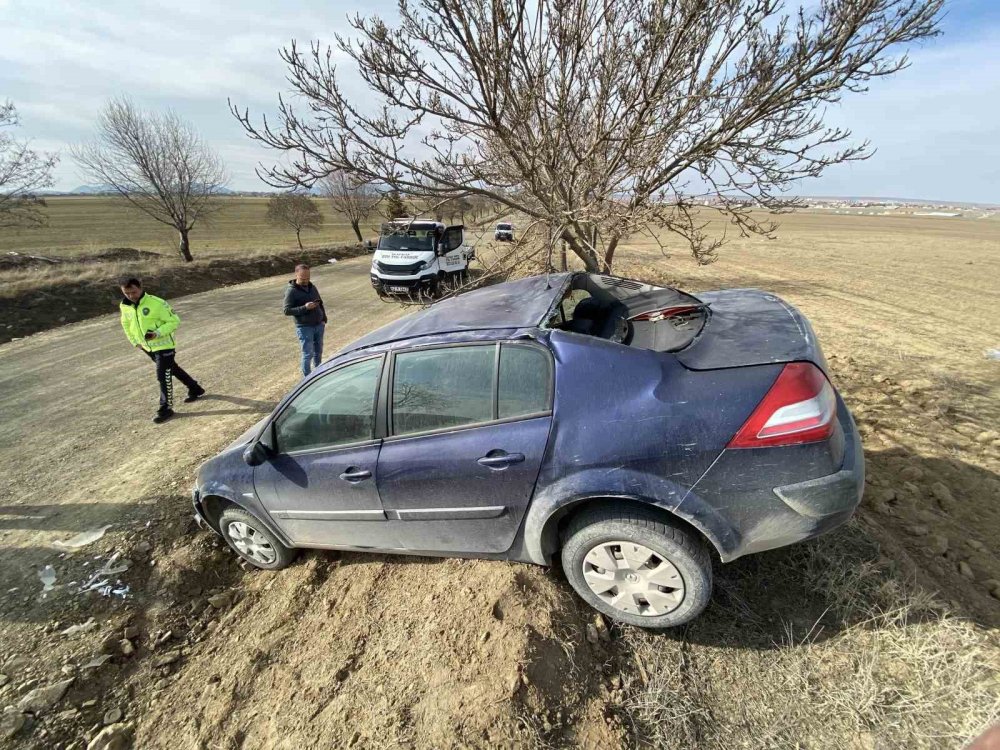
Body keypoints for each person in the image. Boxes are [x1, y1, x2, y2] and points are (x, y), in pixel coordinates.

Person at [119, 277, 205, 423]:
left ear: (140, 287)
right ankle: (195, 388)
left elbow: (174, 321)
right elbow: (126, 324)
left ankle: (165, 408)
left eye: (133, 292)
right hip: (146, 347)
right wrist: (134, 342)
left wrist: (157, 333)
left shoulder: (157, 303)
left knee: (162, 376)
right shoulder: (125, 306)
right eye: (127, 293)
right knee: (172, 369)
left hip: (164, 345)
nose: (131, 296)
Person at [283, 263, 328, 376]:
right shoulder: (291, 291)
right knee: (308, 354)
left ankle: (318, 374)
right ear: (296, 275)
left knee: (318, 352)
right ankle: (307, 379)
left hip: (318, 324)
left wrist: (324, 319)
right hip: (304, 327)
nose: (306, 281)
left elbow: (320, 302)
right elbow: (286, 310)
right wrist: (304, 308)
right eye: (303, 278)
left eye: (308, 278)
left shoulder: (312, 287)